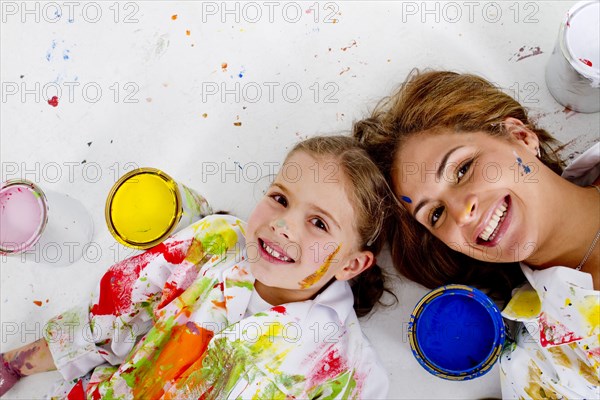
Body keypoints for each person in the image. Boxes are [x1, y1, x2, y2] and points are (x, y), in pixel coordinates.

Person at [0, 135, 394, 399]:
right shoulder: (215, 241)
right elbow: (111, 317)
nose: (283, 224)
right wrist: (14, 364)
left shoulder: (347, 372)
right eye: (280, 198)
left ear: (352, 264)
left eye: (319, 223)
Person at [353, 70, 599, 398]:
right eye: (436, 214)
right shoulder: (545, 373)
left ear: (520, 136)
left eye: (463, 168)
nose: (461, 212)